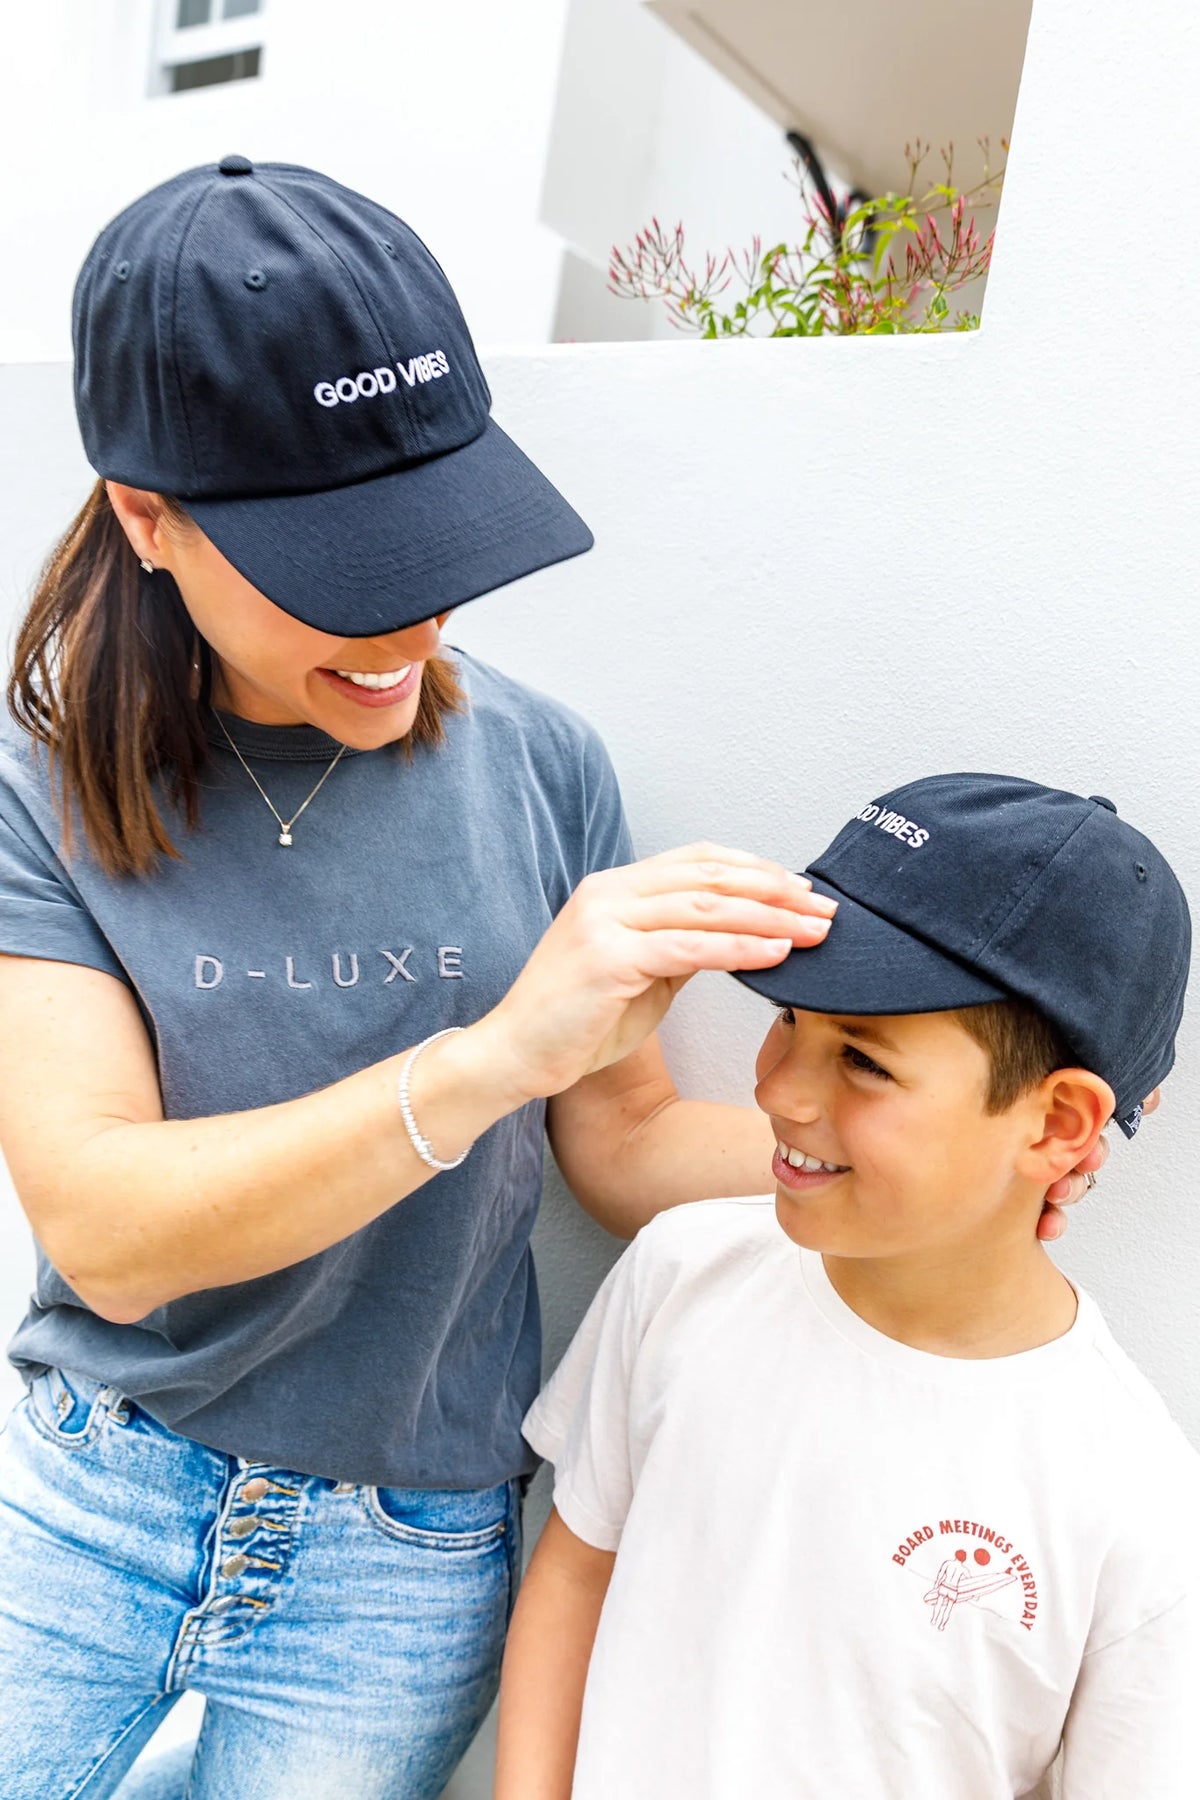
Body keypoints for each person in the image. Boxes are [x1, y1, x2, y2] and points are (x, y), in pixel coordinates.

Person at [0, 156, 839, 1800]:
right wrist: (498, 1050)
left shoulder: (541, 768)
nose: (412, 618)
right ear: (145, 519)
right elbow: (103, 1232)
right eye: (342, 564)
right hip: (90, 1507)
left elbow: (614, 1146)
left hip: (401, 1562)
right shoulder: (40, 798)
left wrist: (909, 1126)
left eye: (436, 536)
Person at [496, 773, 1200, 1800]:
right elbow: (575, 1572)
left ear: (1056, 1127)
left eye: (863, 1061)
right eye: (790, 1020)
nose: (776, 1087)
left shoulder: (1130, 1495)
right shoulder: (684, 1272)